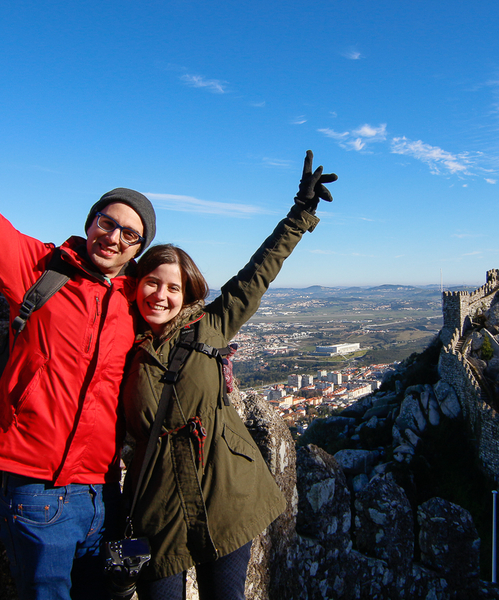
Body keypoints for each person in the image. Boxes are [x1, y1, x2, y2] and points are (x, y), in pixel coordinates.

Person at [0, 48, 156, 600]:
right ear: (90, 221)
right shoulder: (39, 270)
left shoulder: (130, 302)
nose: (114, 237)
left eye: (130, 233)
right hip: (36, 488)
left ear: (138, 248)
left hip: (103, 494)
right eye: (107, 221)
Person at [122, 151, 337, 600]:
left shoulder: (212, 326)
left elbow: (258, 273)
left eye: (173, 287)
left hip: (225, 493)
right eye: (152, 283)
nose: (161, 295)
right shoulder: (118, 343)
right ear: (134, 284)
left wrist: (299, 214)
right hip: (160, 510)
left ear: (189, 293)